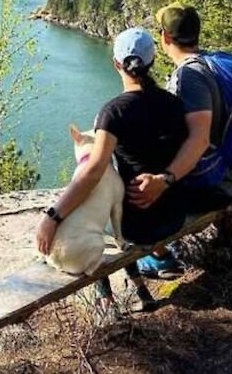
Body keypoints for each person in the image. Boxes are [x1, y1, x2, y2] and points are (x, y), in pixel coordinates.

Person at [33, 27, 196, 306]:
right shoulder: (173, 102)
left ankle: (105, 301)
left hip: (142, 225)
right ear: (153, 60)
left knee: (89, 215)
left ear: (116, 64)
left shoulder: (113, 112)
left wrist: (52, 217)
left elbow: (93, 172)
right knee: (105, 209)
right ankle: (159, 261)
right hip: (175, 212)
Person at [136, 2, 232, 277]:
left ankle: (158, 258)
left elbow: (198, 139)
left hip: (210, 187)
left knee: (129, 194)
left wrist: (165, 180)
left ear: (166, 37)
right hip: (227, 175)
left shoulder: (189, 77)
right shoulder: (210, 63)